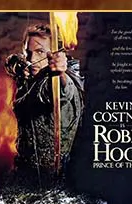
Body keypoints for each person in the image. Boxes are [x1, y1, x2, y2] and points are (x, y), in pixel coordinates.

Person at [6, 22, 84, 180]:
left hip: (51, 178)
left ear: (54, 54)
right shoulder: (29, 73)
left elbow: (63, 92)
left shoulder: (54, 81)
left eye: (40, 51)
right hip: (25, 172)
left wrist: (60, 73)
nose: (32, 59)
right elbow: (15, 61)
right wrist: (14, 64)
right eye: (28, 52)